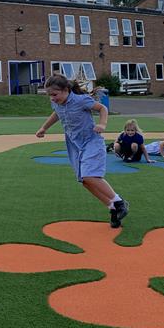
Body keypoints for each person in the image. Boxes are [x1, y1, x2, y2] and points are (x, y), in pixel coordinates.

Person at [35, 74, 130, 229]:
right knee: (85, 182)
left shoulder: (80, 100)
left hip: (91, 141)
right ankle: (113, 208)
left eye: (54, 94)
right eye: (49, 95)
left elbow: (102, 108)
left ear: (66, 90)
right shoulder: (57, 103)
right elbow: (56, 114)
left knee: (90, 176)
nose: (52, 98)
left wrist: (102, 124)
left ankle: (119, 202)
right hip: (75, 145)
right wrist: (44, 127)